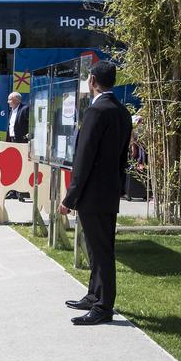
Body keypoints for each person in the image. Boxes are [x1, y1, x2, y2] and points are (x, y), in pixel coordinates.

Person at [58, 60, 132, 326]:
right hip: (108, 191)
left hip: (92, 194)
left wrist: (70, 197)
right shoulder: (122, 112)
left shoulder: (95, 112)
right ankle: (94, 294)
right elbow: (122, 158)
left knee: (101, 252)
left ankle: (103, 307)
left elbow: (84, 159)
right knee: (96, 247)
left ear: (92, 81)